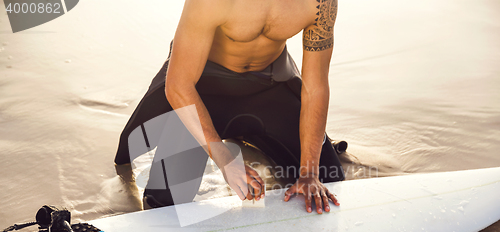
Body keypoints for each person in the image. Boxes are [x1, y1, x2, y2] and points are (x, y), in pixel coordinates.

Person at [114, 0, 345, 214]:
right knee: (164, 203)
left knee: (327, 179)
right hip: (205, 89)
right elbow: (179, 85)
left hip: (270, 88)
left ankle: (251, 139)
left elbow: (315, 88)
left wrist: (309, 173)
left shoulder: (320, 3)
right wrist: (226, 161)